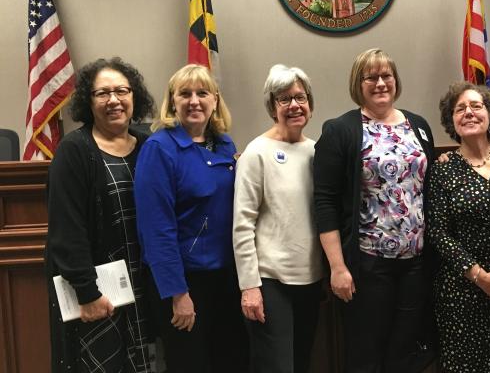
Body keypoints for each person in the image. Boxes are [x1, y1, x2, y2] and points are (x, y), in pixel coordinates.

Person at [313, 48, 436, 372]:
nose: (381, 83)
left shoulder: (419, 125)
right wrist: (337, 267)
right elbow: (325, 202)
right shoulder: (340, 130)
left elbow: (427, 185)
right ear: (359, 83)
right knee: (366, 353)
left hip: (415, 263)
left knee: (405, 351)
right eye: (372, 77)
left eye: (387, 76)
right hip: (368, 264)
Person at [134, 64, 247, 373]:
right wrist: (178, 294)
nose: (194, 101)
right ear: (172, 102)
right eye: (185, 94)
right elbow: (156, 229)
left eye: (202, 93)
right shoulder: (159, 148)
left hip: (226, 278)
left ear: (215, 100)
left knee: (232, 361)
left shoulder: (225, 145)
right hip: (185, 283)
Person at [45, 57, 155, 373]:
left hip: (146, 284)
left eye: (122, 91)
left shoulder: (150, 145)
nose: (114, 100)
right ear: (88, 101)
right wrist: (87, 291)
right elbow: (67, 231)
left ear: (135, 97)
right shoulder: (74, 151)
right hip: (100, 291)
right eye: (102, 93)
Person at [428, 81, 490, 372]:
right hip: (460, 291)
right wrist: (480, 276)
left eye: (476, 106)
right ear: (452, 122)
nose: (469, 113)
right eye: (460, 109)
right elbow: (437, 231)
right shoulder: (442, 170)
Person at [233, 64, 323, 373]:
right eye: (284, 99)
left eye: (300, 97)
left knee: (301, 363)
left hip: (312, 279)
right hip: (271, 283)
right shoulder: (257, 152)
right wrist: (249, 287)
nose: (294, 105)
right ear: (273, 107)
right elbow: (242, 225)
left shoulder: (316, 151)